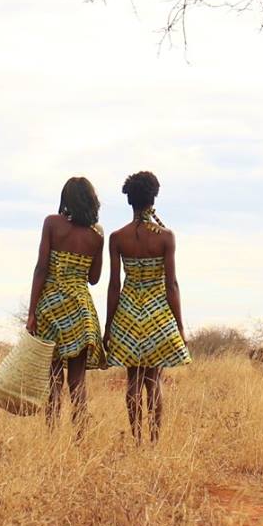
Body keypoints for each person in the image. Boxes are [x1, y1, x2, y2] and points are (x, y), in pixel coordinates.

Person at [102, 169, 189, 440]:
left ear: (130, 201)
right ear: (154, 199)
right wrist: (179, 327)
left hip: (128, 313)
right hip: (158, 314)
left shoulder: (118, 237)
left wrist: (109, 326)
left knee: (133, 380)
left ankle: (137, 438)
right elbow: (171, 285)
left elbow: (114, 285)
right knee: (154, 381)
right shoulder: (165, 237)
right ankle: (153, 441)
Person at [26, 176, 105, 426]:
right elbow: (94, 278)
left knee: (53, 379)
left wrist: (32, 313)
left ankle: (52, 439)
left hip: (52, 308)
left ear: (65, 198)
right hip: (81, 311)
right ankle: (80, 439)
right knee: (78, 381)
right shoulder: (97, 233)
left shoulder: (52, 223)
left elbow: (41, 268)